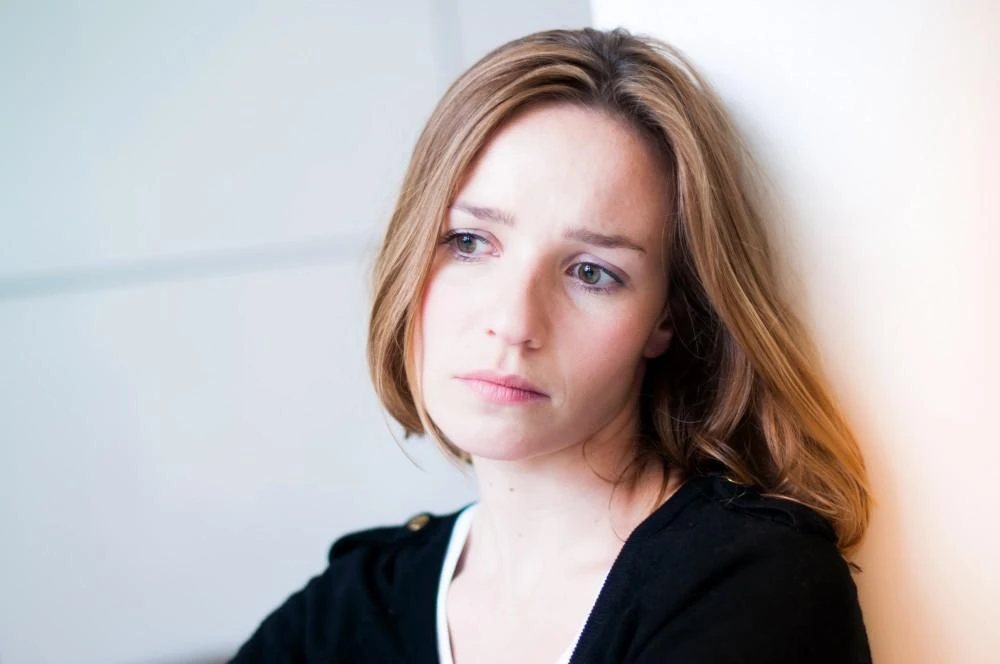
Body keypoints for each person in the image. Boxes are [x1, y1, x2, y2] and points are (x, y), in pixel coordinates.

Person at [230, 27, 873, 663]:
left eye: (592, 272)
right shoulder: (349, 609)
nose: (514, 322)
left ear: (666, 318)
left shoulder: (751, 588)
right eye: (469, 243)